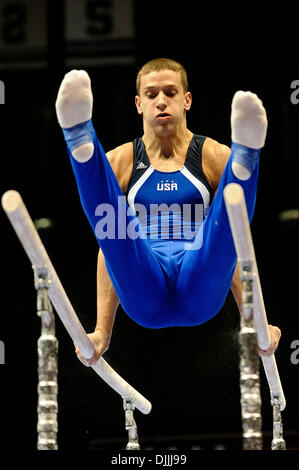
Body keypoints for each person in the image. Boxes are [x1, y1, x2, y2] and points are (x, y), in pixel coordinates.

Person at [55, 58, 281, 366]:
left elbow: (234, 247)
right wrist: (101, 333)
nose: (161, 101)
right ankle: (80, 138)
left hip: (199, 280)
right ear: (138, 104)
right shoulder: (121, 161)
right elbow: (110, 252)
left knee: (226, 227)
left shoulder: (213, 156)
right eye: (151, 94)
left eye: (170, 92)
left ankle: (246, 157)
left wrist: (253, 319)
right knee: (114, 229)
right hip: (143, 285)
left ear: (186, 100)